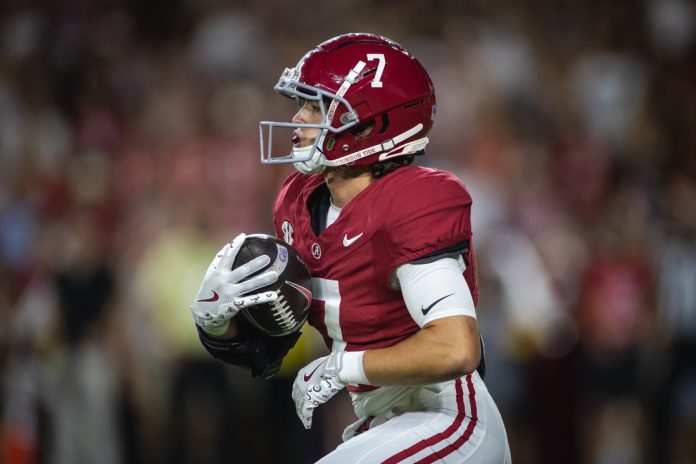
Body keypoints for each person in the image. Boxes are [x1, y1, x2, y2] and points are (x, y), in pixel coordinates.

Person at [190, 33, 511, 463]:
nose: (298, 119)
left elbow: (456, 349)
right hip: (384, 424)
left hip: (447, 416)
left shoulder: (412, 200)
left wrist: (344, 366)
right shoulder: (298, 202)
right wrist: (216, 321)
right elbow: (265, 352)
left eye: (315, 107)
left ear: (367, 125)